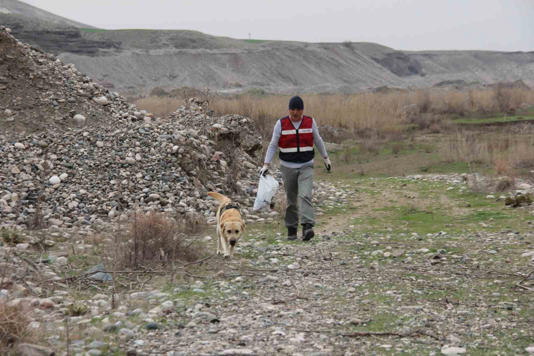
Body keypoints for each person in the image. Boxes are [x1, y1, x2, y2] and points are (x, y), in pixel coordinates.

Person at [260, 96, 331, 241]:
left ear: (302, 110)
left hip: (306, 165)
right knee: (291, 199)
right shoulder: (281, 124)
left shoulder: (310, 122)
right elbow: (273, 145)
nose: (295, 113)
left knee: (305, 195)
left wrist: (326, 158)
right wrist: (266, 164)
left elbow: (318, 140)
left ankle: (307, 227)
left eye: (298, 110)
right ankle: (291, 229)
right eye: (293, 110)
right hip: (287, 167)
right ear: (289, 110)